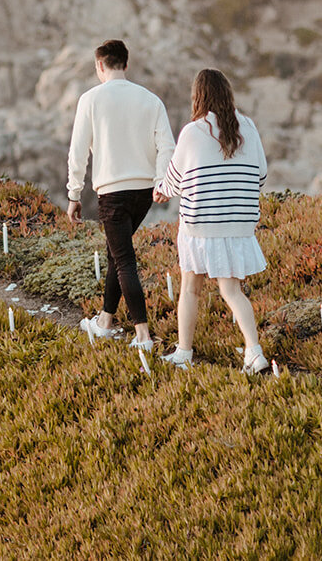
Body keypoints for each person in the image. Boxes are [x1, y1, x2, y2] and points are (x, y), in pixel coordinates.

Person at [155, 68, 270, 374]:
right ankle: (254, 353)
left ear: (199, 96)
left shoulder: (193, 131)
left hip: (200, 226)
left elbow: (175, 180)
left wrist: (161, 192)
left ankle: (183, 353)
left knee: (191, 289)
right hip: (239, 225)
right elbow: (261, 175)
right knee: (232, 291)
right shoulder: (248, 126)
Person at [65, 39, 176, 352]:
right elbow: (167, 146)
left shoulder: (90, 99)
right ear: (126, 64)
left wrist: (74, 194)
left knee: (124, 259)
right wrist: (160, 182)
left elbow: (77, 152)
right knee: (117, 253)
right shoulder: (150, 99)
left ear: (100, 65)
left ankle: (143, 335)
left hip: (112, 193)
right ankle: (105, 320)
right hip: (143, 193)